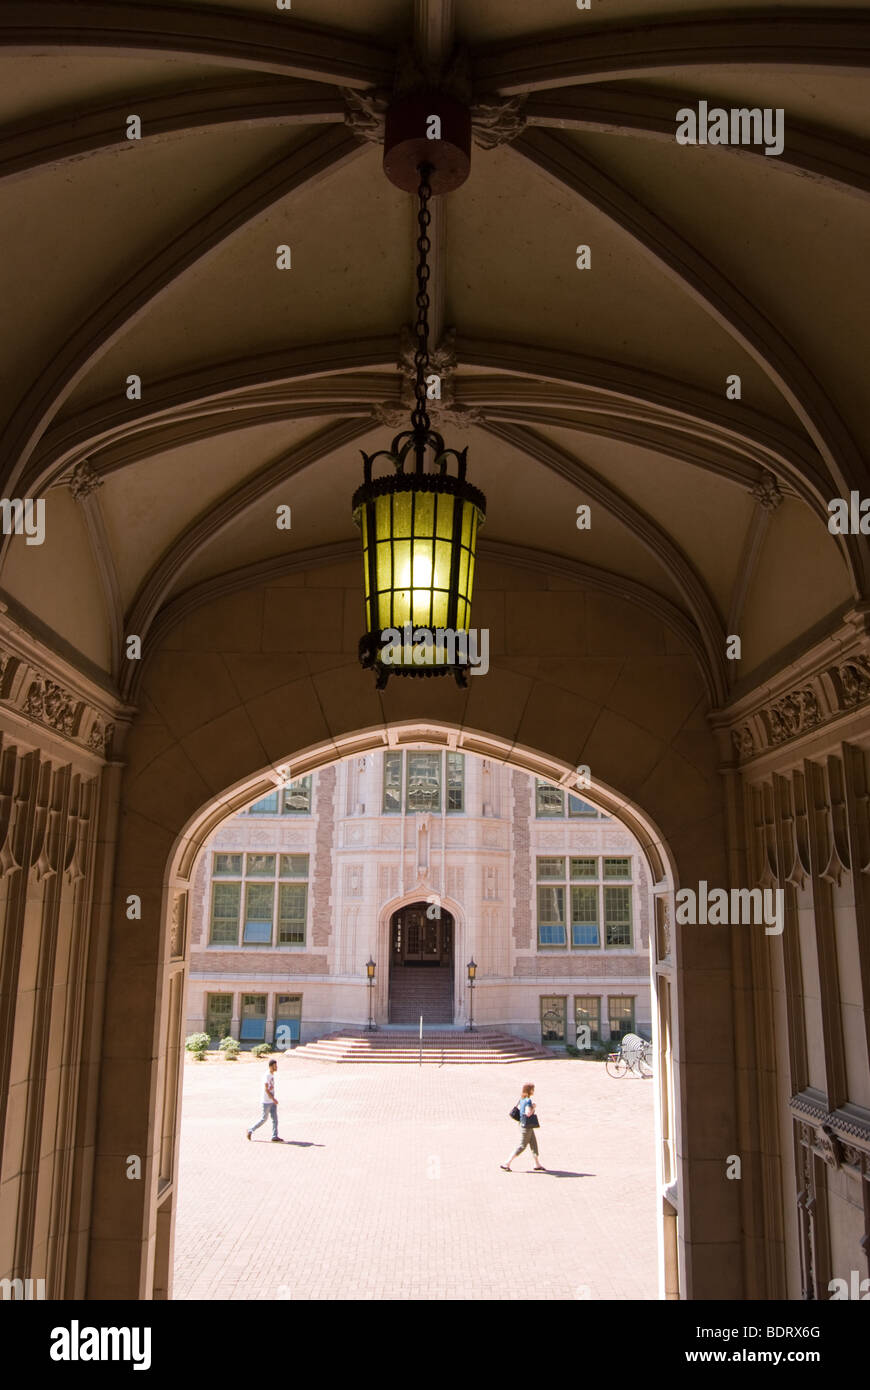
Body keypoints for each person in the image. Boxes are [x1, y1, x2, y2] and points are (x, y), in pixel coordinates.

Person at [501, 1081, 545, 1171]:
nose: (534, 1091)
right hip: (527, 1126)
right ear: (530, 1090)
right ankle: (507, 1163)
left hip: (523, 1124)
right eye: (533, 1089)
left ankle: (537, 1164)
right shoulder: (528, 1100)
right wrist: (533, 1107)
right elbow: (528, 1113)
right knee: (522, 1146)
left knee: (533, 1144)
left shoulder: (522, 1099)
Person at [246, 1058, 282, 1142]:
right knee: (264, 1119)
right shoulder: (267, 1075)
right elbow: (266, 1089)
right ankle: (250, 1130)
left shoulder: (272, 1075)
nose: (276, 1067)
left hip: (271, 1101)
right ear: (270, 1066)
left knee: (275, 1119)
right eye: (275, 1066)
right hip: (266, 1101)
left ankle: (275, 1136)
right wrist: (273, 1099)